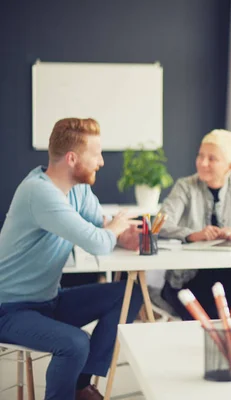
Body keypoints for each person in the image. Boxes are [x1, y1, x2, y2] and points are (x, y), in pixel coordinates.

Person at [0, 118, 144, 400]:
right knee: (75, 343)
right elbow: (98, 242)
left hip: (49, 301)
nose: (101, 161)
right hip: (10, 310)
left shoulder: (78, 188)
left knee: (128, 293)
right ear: (72, 158)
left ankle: (80, 387)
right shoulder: (38, 192)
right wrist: (114, 228)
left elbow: (100, 225)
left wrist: (123, 233)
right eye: (96, 154)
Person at [159, 129, 231, 320]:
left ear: (229, 166)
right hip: (187, 283)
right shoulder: (185, 186)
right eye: (201, 156)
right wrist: (192, 235)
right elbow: (160, 223)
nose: (203, 163)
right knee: (212, 323)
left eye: (212, 159)